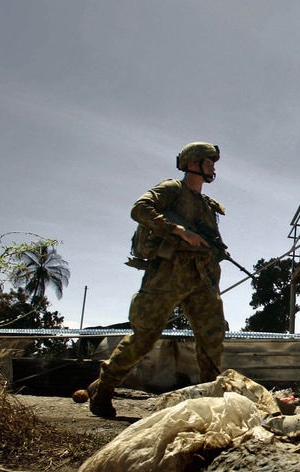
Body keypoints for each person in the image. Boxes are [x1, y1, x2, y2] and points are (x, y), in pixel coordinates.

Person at [87, 142, 229, 418]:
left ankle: (211, 404)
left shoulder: (207, 205)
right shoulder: (172, 190)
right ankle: (104, 386)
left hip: (200, 276)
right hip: (166, 273)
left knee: (212, 336)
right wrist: (178, 230)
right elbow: (139, 209)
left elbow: (211, 251)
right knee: (145, 336)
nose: (213, 167)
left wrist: (213, 278)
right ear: (192, 163)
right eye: (208, 161)